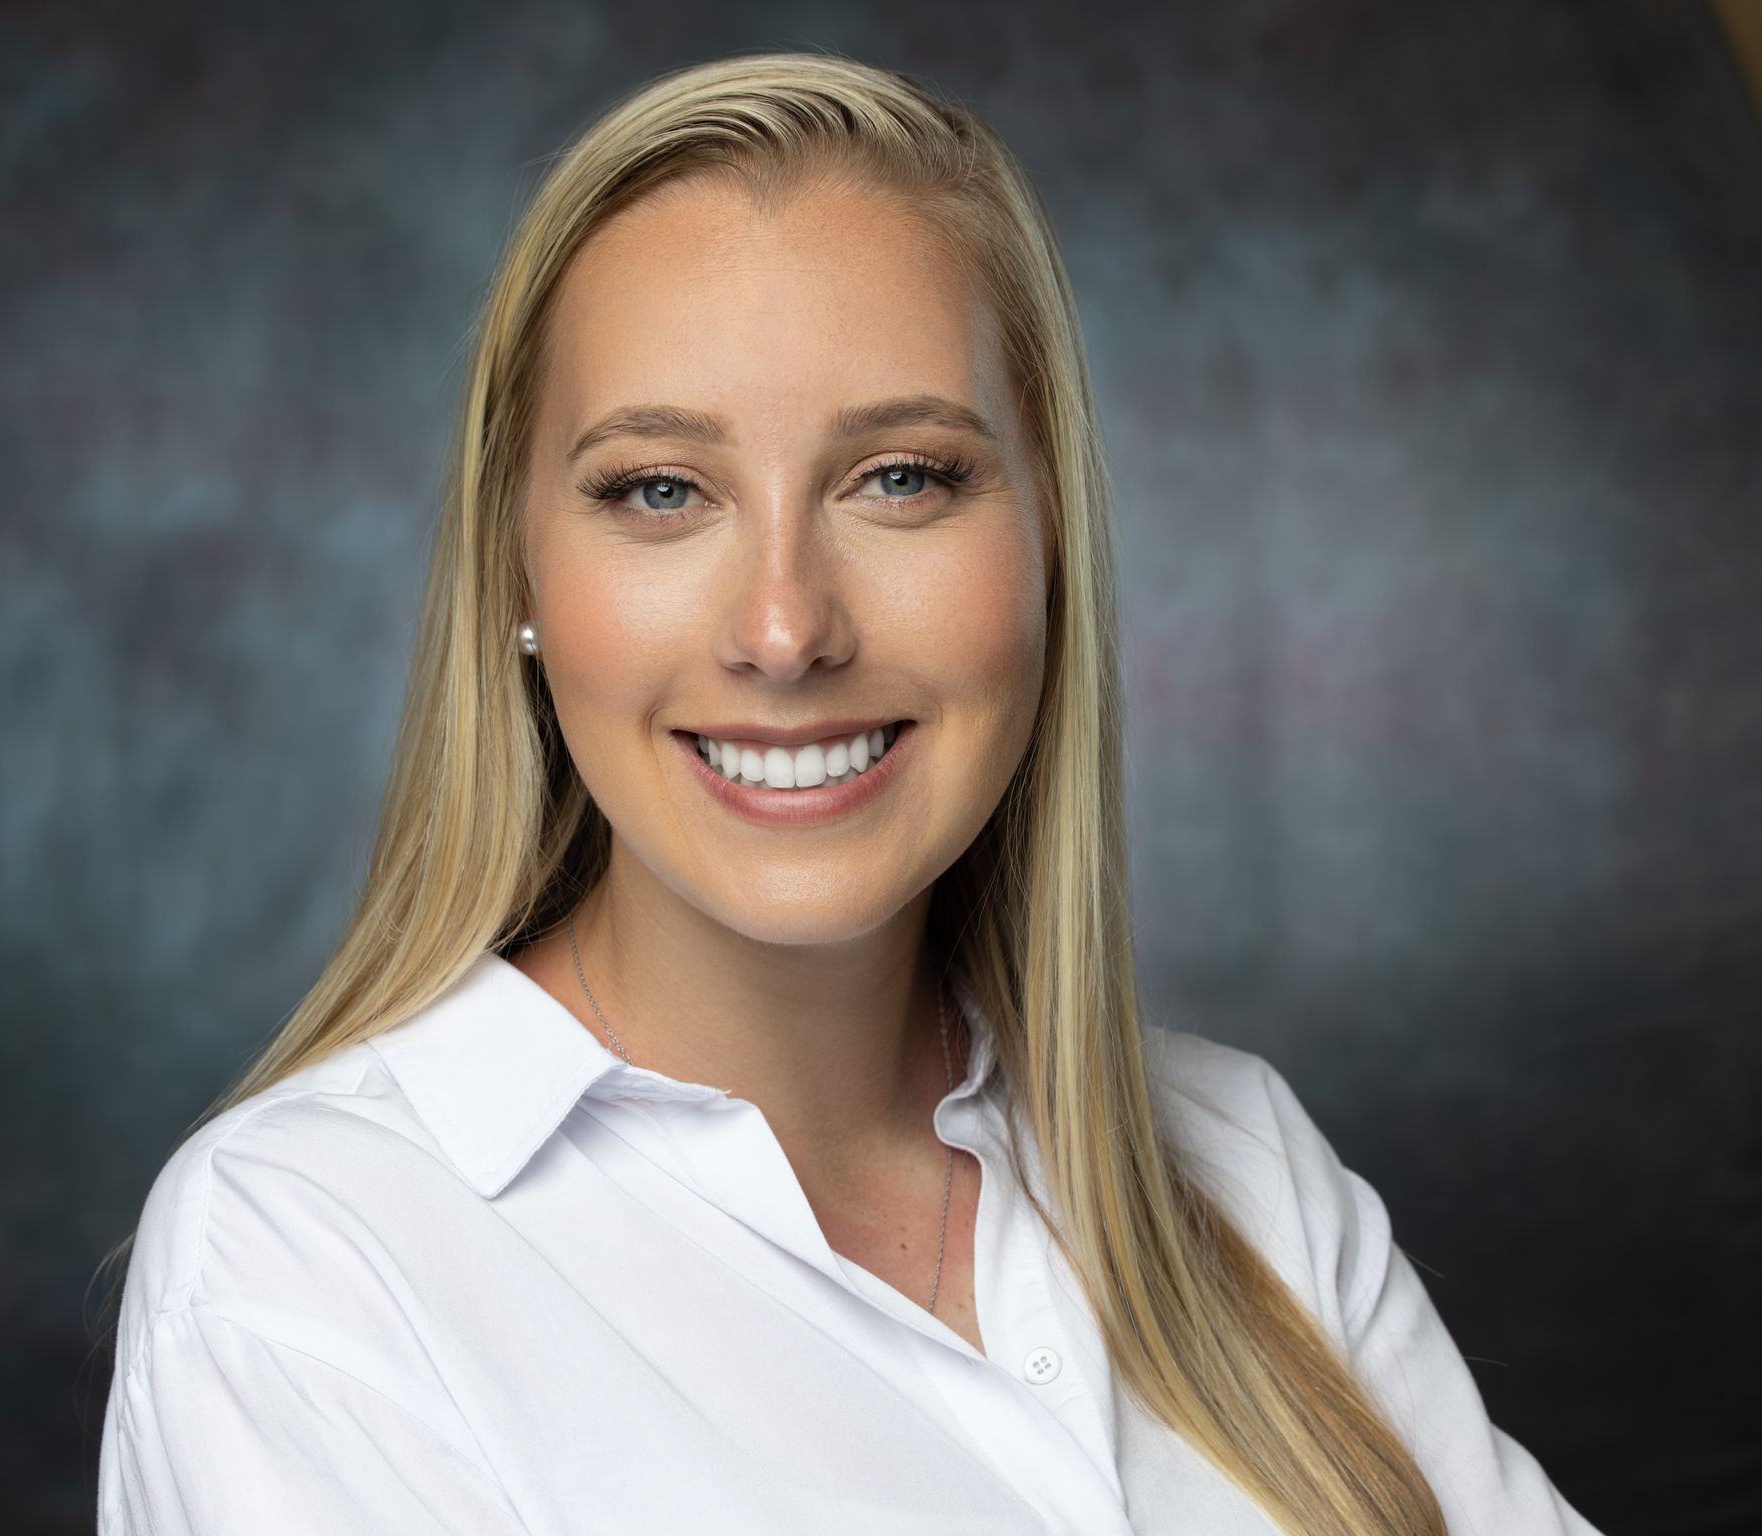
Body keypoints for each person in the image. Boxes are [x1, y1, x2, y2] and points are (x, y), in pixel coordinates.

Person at [92, 50, 1604, 1536]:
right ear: (519, 572)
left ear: (1048, 542)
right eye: (659, 491)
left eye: (901, 478)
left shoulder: (1241, 1161)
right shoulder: (305, 1259)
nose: (784, 629)